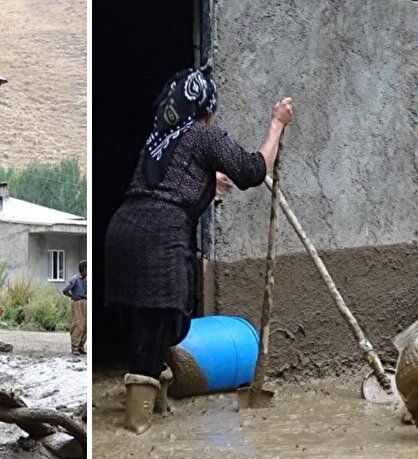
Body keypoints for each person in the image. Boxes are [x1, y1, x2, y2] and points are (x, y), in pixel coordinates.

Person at [105, 64, 292, 434]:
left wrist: (211, 181)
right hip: (159, 239)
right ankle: (136, 428)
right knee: (162, 325)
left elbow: (169, 188)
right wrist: (276, 124)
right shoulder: (203, 136)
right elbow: (253, 170)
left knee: (156, 329)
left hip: (122, 234)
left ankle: (153, 409)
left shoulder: (157, 143)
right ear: (205, 108)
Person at [62, 260, 88, 355]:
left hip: (86, 302)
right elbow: (65, 290)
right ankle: (75, 347)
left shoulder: (87, 279)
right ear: (84, 269)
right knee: (78, 325)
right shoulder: (75, 279)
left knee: (86, 325)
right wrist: (72, 296)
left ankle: (81, 346)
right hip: (78, 302)